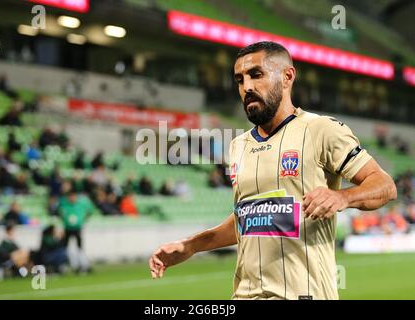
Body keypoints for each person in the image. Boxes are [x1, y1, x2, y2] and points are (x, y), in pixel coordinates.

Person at [149, 41, 397, 300]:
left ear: (287, 76)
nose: (247, 87)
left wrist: (342, 197)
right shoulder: (238, 146)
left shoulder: (321, 130)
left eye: (256, 75)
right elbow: (249, 220)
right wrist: (191, 245)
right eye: (239, 80)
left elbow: (385, 186)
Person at [58, 189, 94, 273]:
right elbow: (60, 212)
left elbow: (89, 211)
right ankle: (66, 265)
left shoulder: (81, 204)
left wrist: (84, 219)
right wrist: (63, 219)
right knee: (65, 248)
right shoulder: (64, 205)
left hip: (77, 228)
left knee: (80, 248)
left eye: (73, 196)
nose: (71, 198)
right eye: (70, 197)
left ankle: (83, 265)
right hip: (67, 228)